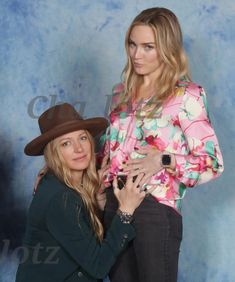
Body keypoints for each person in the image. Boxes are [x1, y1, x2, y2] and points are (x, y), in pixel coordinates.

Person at [100, 7, 224, 282]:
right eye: (132, 44)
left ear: (166, 48)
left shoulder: (187, 96)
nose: (136, 54)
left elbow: (212, 164)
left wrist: (162, 159)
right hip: (114, 206)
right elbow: (107, 156)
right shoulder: (121, 94)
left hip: (154, 210)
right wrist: (61, 174)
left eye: (148, 47)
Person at [15, 103, 149, 282]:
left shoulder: (63, 184)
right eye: (66, 143)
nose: (79, 148)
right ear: (54, 152)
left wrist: (97, 202)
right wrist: (125, 211)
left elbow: (83, 241)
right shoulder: (60, 198)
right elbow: (98, 266)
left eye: (83, 138)